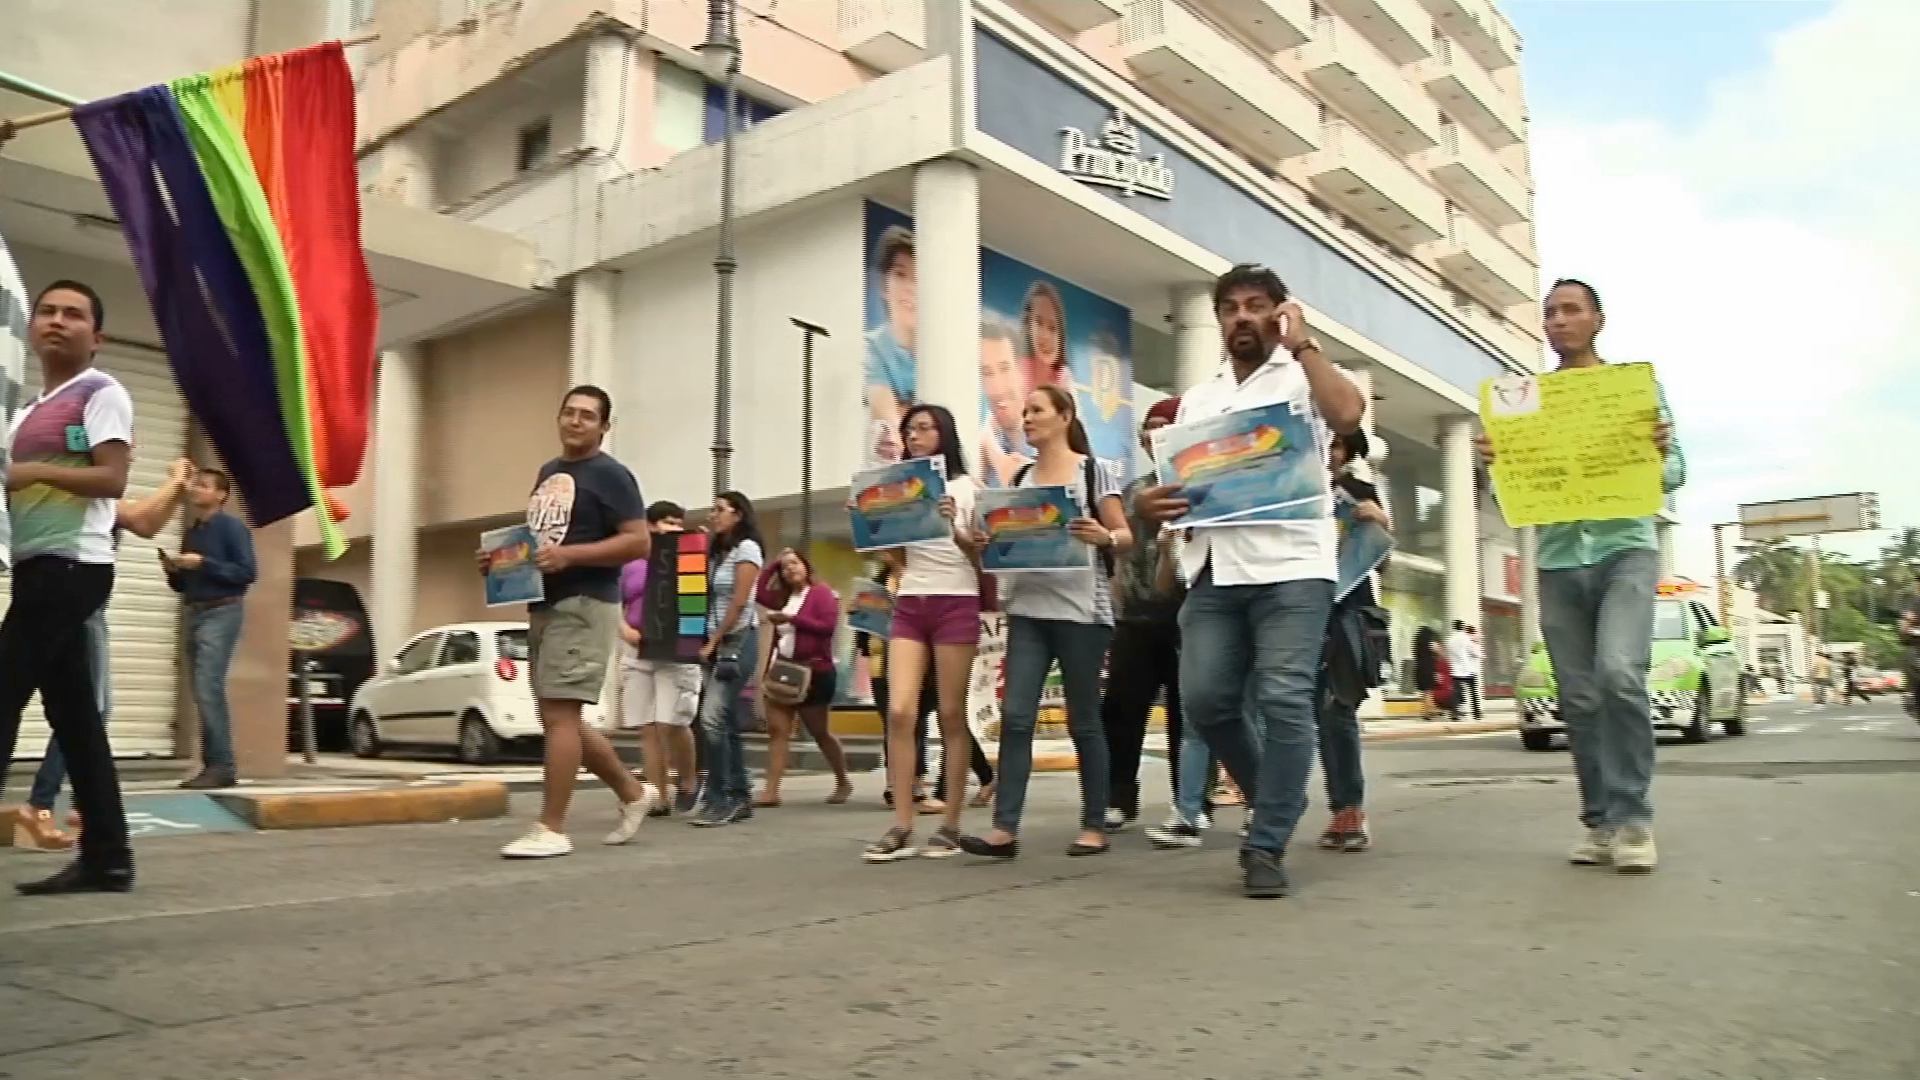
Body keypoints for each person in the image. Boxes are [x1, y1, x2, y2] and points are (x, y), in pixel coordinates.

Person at [1135, 263, 1366, 898]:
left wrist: (1306, 344)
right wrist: (1152, 505)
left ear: (1278, 312)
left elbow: (1347, 416)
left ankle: (1266, 842)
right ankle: (1273, 799)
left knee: (1286, 698)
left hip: (1294, 568)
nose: (1242, 316)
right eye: (1231, 307)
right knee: (1206, 700)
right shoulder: (1198, 400)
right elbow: (1180, 484)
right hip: (1215, 570)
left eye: (1256, 305)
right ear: (1218, 319)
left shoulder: (1304, 377)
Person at [1477, 278, 1684, 874]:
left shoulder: (1633, 391)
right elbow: (1510, 496)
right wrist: (1494, 462)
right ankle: (1599, 821)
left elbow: (1674, 474)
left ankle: (1634, 818)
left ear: (1597, 320)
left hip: (1626, 550)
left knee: (1620, 673)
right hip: (1560, 560)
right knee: (1580, 696)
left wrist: (1658, 449)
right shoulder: (1525, 400)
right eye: (1550, 313)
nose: (1559, 320)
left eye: (1571, 310)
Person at [0, 280, 139, 895]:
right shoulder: (28, 411)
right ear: (32, 329)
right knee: (77, 721)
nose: (58, 321)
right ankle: (108, 858)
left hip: (72, 568)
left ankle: (108, 856)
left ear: (96, 337)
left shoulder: (101, 393)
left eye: (74, 315)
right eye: (48, 312)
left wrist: (28, 471)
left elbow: (111, 478)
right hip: (36, 566)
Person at [956, 384, 1132, 860]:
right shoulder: (1019, 480)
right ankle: (1004, 829)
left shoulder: (1094, 472)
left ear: (1064, 416)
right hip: (1029, 611)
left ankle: (1095, 824)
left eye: (1037, 410)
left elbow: (1125, 536)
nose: (1027, 418)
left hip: (1082, 614)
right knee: (1015, 718)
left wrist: (1104, 535)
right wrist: (979, 541)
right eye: (1025, 411)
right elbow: (1000, 549)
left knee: (1084, 722)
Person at [487, 385, 653, 859]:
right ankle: (634, 794)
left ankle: (551, 827)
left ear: (604, 426)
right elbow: (542, 542)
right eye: (569, 412)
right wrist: (501, 562)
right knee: (558, 715)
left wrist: (570, 556)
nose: (576, 421)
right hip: (545, 601)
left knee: (560, 714)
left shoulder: (613, 476)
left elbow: (638, 542)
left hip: (585, 603)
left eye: (588, 415)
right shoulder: (550, 472)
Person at [5, 457, 192, 852]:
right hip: (78, 605)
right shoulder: (83, 488)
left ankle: (78, 809)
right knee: (87, 710)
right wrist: (175, 480)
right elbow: (143, 519)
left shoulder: (80, 488)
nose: (131, 451)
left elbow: (149, 519)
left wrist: (177, 487)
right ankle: (44, 806)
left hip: (73, 604)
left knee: (71, 708)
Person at [864, 403, 987, 862]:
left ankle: (951, 824)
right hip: (912, 601)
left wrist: (952, 525)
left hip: (957, 599)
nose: (914, 435)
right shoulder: (901, 486)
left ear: (945, 434)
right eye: (908, 429)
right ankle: (901, 821)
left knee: (951, 713)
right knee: (899, 711)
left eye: (924, 427)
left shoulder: (968, 488)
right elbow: (897, 558)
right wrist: (870, 516)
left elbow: (982, 561)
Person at [1103, 396, 1188, 833]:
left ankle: (1190, 800)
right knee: (1122, 709)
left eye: (1163, 425)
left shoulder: (1199, 482)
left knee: (1187, 713)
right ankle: (1119, 798)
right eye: (1148, 427)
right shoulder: (1134, 490)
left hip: (1189, 617)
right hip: (1135, 618)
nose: (1154, 434)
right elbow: (1119, 550)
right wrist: (1116, 595)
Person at [1316, 428, 1391, 852]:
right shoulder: (1280, 489)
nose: (1327, 451)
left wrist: (1378, 522)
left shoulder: (1358, 492)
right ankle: (1266, 809)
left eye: (1334, 444)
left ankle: (1348, 810)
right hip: (1289, 611)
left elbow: (1383, 560)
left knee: (1336, 712)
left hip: (1345, 616)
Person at [162, 467, 258, 790]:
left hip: (222, 610)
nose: (195, 490)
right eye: (195, 485)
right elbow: (183, 584)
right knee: (202, 689)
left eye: (203, 486)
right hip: (195, 610)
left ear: (221, 495)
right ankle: (213, 766)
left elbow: (246, 572)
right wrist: (174, 571)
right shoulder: (194, 532)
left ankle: (221, 766)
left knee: (208, 687)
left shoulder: (232, 528)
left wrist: (203, 563)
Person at [618, 501, 702, 817]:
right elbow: (615, 601)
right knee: (647, 725)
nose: (675, 528)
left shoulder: (690, 558)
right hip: (639, 648)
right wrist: (624, 629)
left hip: (675, 650)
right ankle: (657, 794)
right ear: (651, 525)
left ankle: (689, 781)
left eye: (680, 523)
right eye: (668, 522)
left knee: (674, 720)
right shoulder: (631, 563)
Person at [754, 549, 853, 806]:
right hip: (783, 670)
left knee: (820, 732)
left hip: (815, 672)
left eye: (795, 563)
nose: (790, 570)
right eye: (785, 568)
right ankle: (771, 791)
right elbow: (760, 591)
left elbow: (827, 627)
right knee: (778, 731)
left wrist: (792, 619)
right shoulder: (784, 597)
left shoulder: (821, 593)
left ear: (806, 566)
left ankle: (843, 780)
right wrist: (774, 564)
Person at [688, 490, 763, 827]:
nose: (713, 515)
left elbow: (740, 602)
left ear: (738, 515)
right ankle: (739, 794)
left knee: (712, 719)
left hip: (737, 641)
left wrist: (714, 641)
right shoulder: (720, 553)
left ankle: (720, 797)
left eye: (720, 510)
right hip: (716, 642)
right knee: (726, 720)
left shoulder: (747, 550)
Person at [863, 225, 915, 464]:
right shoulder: (872, 348)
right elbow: (893, 432)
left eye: (919, 278)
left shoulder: (944, 355)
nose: (911, 288)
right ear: (884, 285)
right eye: (901, 275)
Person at [979, 313, 1034, 488]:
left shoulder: (1048, 434)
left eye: (1004, 369)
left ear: (1022, 372)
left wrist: (990, 447)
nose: (997, 386)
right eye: (986, 373)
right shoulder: (979, 439)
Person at [1020, 280, 1073, 397]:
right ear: (1028, 324)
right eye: (1038, 323)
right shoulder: (1016, 373)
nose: (1045, 335)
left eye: (1052, 328)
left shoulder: (1063, 377)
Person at [1446, 620, 1483, 722]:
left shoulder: (1450, 640)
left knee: (1456, 694)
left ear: (1453, 627)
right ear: (1462, 627)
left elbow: (1450, 655)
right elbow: (1474, 653)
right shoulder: (1466, 638)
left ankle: (1455, 714)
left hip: (1455, 670)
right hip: (1468, 670)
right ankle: (1477, 713)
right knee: (1473, 693)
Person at [1412, 626, 1441, 719]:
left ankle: (1430, 709)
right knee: (1428, 691)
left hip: (1419, 668)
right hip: (1428, 668)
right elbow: (1439, 651)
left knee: (1425, 691)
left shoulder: (1417, 644)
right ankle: (1428, 712)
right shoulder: (1430, 643)